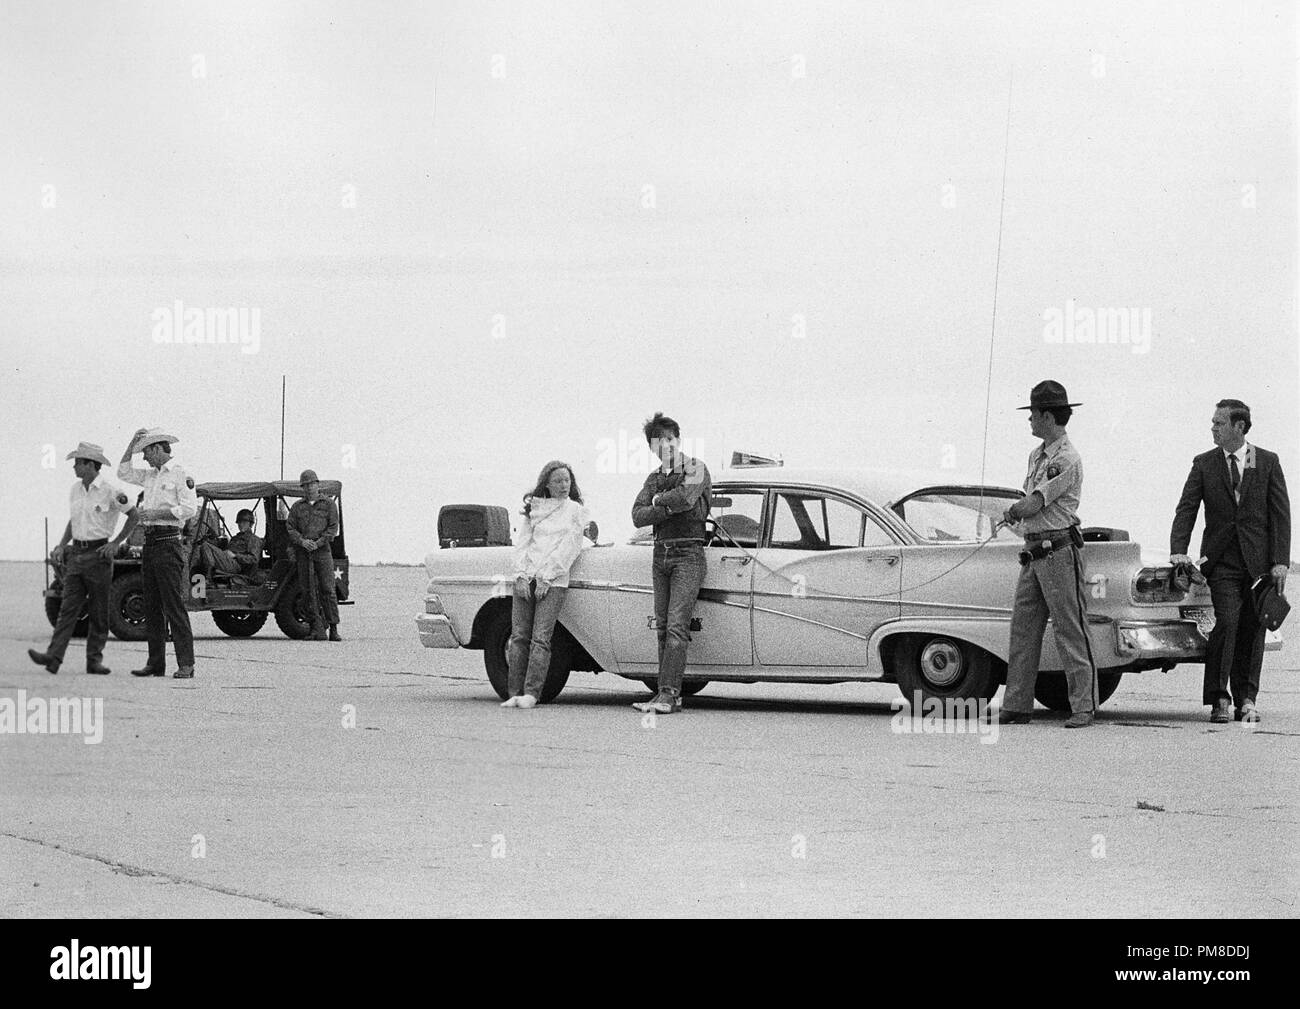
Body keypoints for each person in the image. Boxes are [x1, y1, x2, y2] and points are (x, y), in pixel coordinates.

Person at [1170, 399, 1291, 723]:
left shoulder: (1266, 461)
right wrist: (1178, 549)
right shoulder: (1204, 463)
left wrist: (1280, 560)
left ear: (1239, 427)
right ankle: (1218, 698)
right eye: (1213, 422)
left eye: (1219, 423)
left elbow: (1280, 514)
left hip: (1258, 564)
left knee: (1253, 629)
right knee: (1227, 622)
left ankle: (1247, 699)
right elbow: (1186, 509)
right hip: (1221, 561)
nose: (1213, 428)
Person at [997, 381, 1098, 728]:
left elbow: (1036, 501)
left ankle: (1083, 706)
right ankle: (1017, 704)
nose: (1030, 420)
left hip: (1057, 551)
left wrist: (1013, 511)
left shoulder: (1066, 458)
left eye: (1034, 414)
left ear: (1048, 417)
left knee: (1070, 629)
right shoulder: (1036, 455)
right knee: (1023, 630)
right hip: (1034, 551)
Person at [28, 443, 138, 675]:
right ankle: (53, 657)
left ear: (90, 465)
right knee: (68, 609)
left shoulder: (110, 490)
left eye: (77, 463)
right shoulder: (75, 490)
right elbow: (74, 521)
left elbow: (133, 515)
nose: (74, 467)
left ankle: (94, 661)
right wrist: (62, 544)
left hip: (99, 556)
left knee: (99, 611)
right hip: (77, 555)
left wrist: (115, 543)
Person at [630, 412, 712, 714]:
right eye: (658, 442)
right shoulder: (653, 477)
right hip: (660, 554)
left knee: (677, 626)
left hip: (688, 554)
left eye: (669, 439)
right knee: (663, 627)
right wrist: (665, 507)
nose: (665, 445)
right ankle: (666, 695)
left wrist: (656, 502)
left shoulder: (696, 467)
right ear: (652, 447)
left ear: (678, 439)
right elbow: (637, 515)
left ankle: (669, 694)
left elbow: (686, 499)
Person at [502, 461, 589, 708]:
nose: (563, 485)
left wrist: (547, 577)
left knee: (541, 638)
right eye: (558, 481)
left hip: (554, 581)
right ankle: (514, 692)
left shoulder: (576, 511)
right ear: (547, 484)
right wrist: (520, 575)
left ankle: (531, 693)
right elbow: (523, 543)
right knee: (519, 636)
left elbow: (570, 547)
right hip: (527, 577)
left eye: (567, 480)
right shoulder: (535, 508)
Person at [118, 427, 199, 679]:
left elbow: (189, 509)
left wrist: (156, 513)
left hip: (168, 542)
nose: (143, 457)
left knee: (174, 606)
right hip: (151, 544)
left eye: (145, 452)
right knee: (152, 607)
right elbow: (123, 471)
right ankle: (155, 663)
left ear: (156, 449)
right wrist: (132, 442)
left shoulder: (180, 473)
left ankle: (186, 664)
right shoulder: (150, 476)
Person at [286, 469, 341, 641]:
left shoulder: (328, 504)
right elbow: (290, 528)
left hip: (322, 551)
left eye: (312, 484)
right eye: (306, 485)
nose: (309, 487)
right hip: (303, 552)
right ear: (302, 488)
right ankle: (315, 628)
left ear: (318, 485)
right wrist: (302, 541)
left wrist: (318, 543)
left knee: (327, 589)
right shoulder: (297, 507)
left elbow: (333, 527)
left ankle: (333, 628)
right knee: (307, 590)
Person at [195, 508, 262, 578]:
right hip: (228, 561)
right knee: (204, 544)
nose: (241, 525)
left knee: (206, 546)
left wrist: (235, 555)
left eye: (244, 522)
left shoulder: (254, 539)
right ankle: (207, 573)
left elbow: (254, 559)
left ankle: (208, 575)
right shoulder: (235, 538)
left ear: (250, 524)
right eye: (239, 522)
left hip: (237, 565)